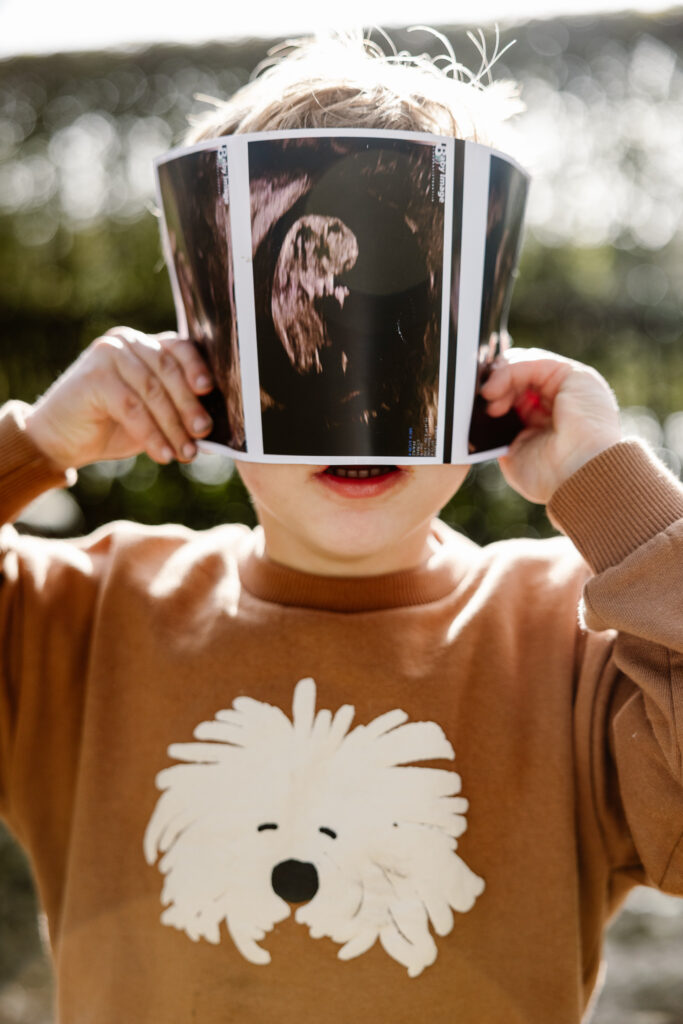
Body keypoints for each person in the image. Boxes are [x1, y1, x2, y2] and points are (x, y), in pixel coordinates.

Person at [2, 34, 682, 1024]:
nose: (359, 401)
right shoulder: (81, 620)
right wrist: (35, 440)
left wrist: (612, 498)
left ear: (478, 358)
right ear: (213, 354)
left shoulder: (573, 646)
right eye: (299, 320)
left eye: (408, 328)